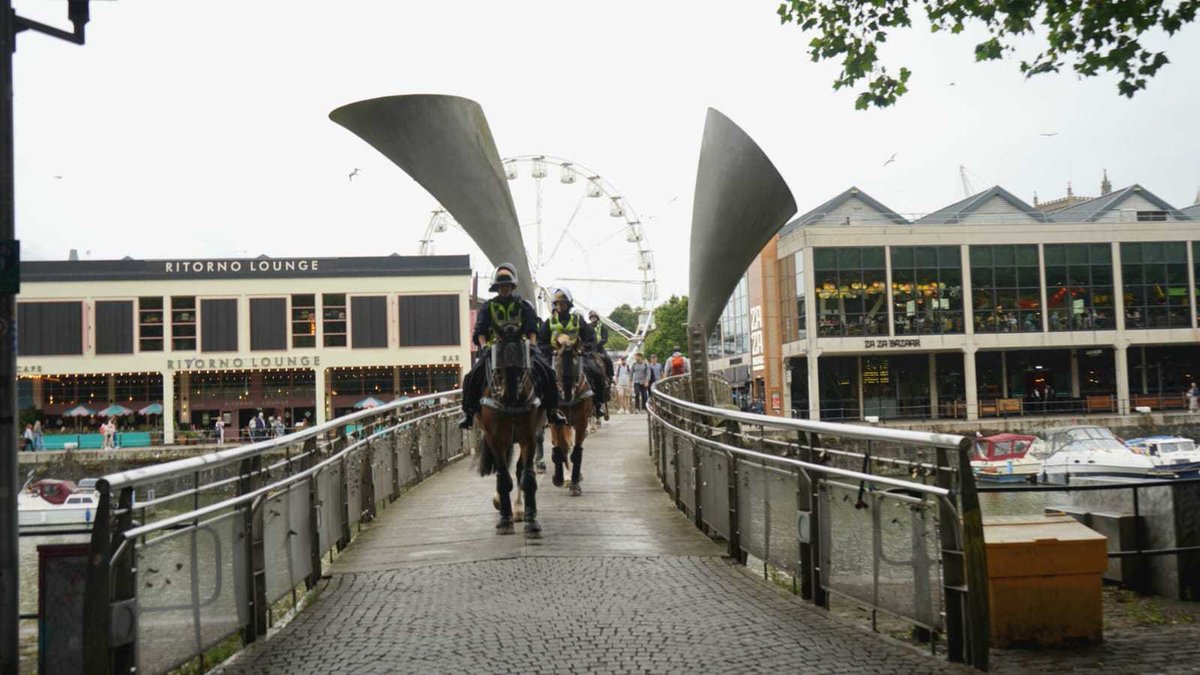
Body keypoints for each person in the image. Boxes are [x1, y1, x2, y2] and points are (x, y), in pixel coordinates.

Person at [460, 263, 566, 429]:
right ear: (497, 287)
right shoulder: (488, 307)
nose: (504, 289)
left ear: (512, 286)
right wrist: (484, 346)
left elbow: (532, 330)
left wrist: (531, 346)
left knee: (548, 373)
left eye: (507, 286)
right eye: (501, 286)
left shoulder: (524, 306)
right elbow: (480, 331)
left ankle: (552, 411)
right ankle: (469, 412)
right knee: (471, 377)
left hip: (522, 349)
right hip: (496, 350)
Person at [538, 288, 609, 418]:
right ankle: (541, 407)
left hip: (576, 355)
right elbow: (540, 341)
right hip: (555, 355)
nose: (560, 306)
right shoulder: (549, 322)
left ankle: (599, 403)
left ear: (568, 304)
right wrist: (552, 350)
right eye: (558, 303)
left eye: (563, 303)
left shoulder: (578, 320)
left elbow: (590, 338)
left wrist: (583, 349)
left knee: (596, 371)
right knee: (540, 375)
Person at [586, 310, 615, 384]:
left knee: (608, 359)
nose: (593, 318)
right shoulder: (587, 326)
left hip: (599, 348)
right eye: (591, 317)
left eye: (594, 317)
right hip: (589, 348)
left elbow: (605, 338)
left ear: (597, 318)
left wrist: (598, 345)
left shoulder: (602, 326)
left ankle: (610, 376)